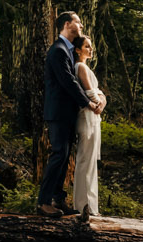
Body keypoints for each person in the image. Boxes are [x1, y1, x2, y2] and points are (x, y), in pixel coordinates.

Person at [38, 11, 99, 215]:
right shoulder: (58, 50)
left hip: (68, 113)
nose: (81, 25)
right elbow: (68, 82)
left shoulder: (69, 51)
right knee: (59, 154)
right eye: (77, 22)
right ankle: (43, 202)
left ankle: (57, 200)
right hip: (58, 112)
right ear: (66, 24)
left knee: (64, 157)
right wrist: (88, 103)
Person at [70, 35, 107, 219]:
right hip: (86, 117)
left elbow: (99, 93)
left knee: (90, 162)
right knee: (85, 160)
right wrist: (100, 101)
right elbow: (90, 92)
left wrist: (103, 99)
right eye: (86, 46)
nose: (90, 49)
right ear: (77, 50)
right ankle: (84, 206)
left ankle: (91, 205)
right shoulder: (80, 67)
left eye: (90, 46)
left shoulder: (85, 67)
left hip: (92, 116)